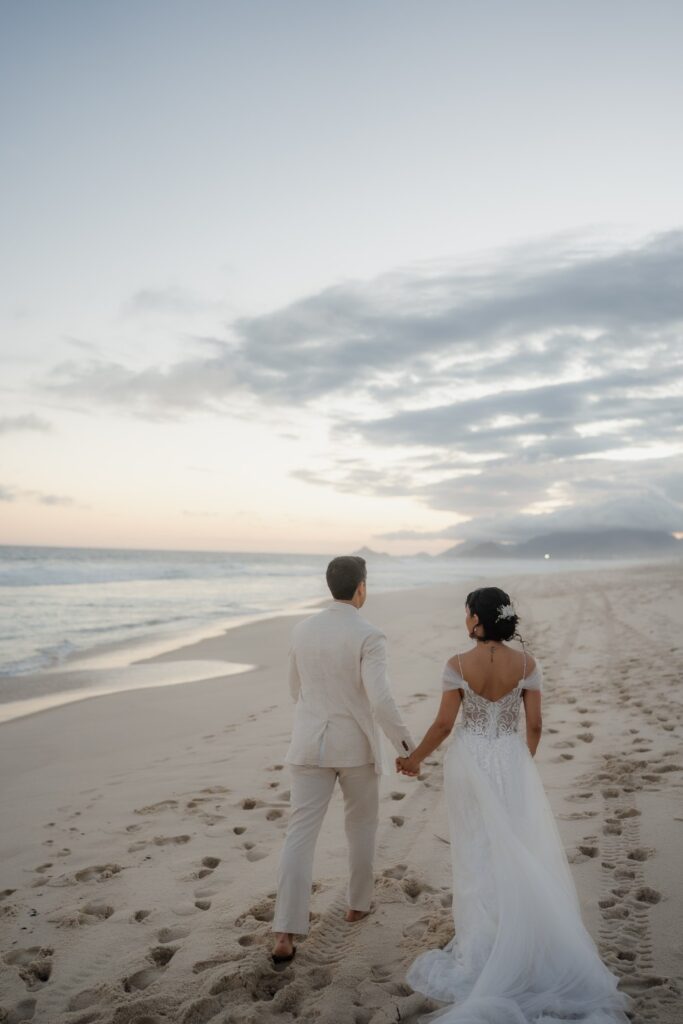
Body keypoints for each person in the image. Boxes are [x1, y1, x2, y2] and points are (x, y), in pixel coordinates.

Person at [396, 586, 632, 1024]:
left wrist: (414, 760)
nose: (464, 618)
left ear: (477, 619)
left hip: (469, 762)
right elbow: (536, 725)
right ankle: (517, 932)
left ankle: (483, 943)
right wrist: (520, 762)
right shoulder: (527, 664)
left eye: (467, 612)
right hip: (510, 758)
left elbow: (445, 724)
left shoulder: (456, 666)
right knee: (516, 844)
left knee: (475, 849)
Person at [271, 555, 416, 964]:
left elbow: (293, 688)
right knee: (362, 827)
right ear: (362, 587)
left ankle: (284, 931)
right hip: (354, 748)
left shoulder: (302, 629)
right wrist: (406, 747)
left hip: (308, 745)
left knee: (299, 835)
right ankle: (358, 904)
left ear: (329, 585)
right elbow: (381, 700)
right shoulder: (370, 634)